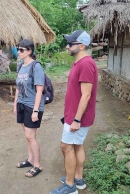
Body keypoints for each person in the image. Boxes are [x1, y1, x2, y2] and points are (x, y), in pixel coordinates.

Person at [50, 30, 98, 194]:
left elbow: (86, 95)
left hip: (78, 117)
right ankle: (78, 179)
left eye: (71, 44)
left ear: (82, 46)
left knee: (66, 146)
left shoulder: (85, 64)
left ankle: (70, 186)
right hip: (73, 114)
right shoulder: (78, 63)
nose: (67, 46)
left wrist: (76, 120)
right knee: (77, 145)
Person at [13, 39, 45, 178]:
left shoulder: (36, 66)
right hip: (21, 104)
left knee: (30, 136)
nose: (18, 52)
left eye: (21, 50)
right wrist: (15, 104)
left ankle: (37, 165)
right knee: (27, 136)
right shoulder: (20, 66)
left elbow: (39, 90)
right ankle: (30, 159)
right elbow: (18, 88)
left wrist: (36, 110)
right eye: (18, 49)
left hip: (32, 106)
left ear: (30, 51)